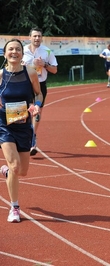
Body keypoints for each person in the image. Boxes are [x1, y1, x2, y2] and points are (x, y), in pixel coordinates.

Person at [0, 38, 42, 223]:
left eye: (17, 49)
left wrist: (37, 105)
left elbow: (38, 93)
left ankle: (7, 173)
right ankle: (14, 207)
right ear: (5, 53)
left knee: (22, 171)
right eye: (10, 49)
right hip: (4, 125)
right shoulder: (0, 75)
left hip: (24, 125)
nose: (14, 52)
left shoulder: (30, 72)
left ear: (21, 53)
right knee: (15, 165)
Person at [22, 27, 58, 156]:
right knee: (22, 112)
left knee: (37, 111)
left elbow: (54, 70)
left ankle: (32, 139)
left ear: (42, 38)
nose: (37, 38)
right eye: (35, 36)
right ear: (30, 37)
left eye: (39, 36)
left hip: (40, 85)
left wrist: (44, 65)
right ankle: (21, 136)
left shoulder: (47, 51)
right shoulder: (23, 50)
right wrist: (30, 65)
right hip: (24, 84)